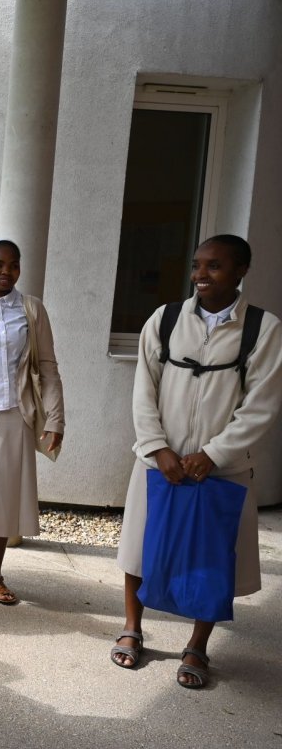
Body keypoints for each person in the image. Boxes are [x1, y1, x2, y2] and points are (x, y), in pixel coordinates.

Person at [111, 235, 282, 689]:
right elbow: (143, 390)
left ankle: (198, 646)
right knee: (140, 548)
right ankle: (131, 628)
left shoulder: (263, 330)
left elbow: (261, 405)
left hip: (221, 470)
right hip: (159, 462)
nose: (201, 275)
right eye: (197, 265)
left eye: (215, 266)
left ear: (242, 271)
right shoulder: (165, 320)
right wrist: (156, 447)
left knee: (213, 558)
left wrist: (213, 454)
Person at [0, 239, 65, 605]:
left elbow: (48, 368)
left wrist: (55, 420)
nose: (6, 271)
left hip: (12, 417)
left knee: (3, 499)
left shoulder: (32, 310)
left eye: (13, 264)